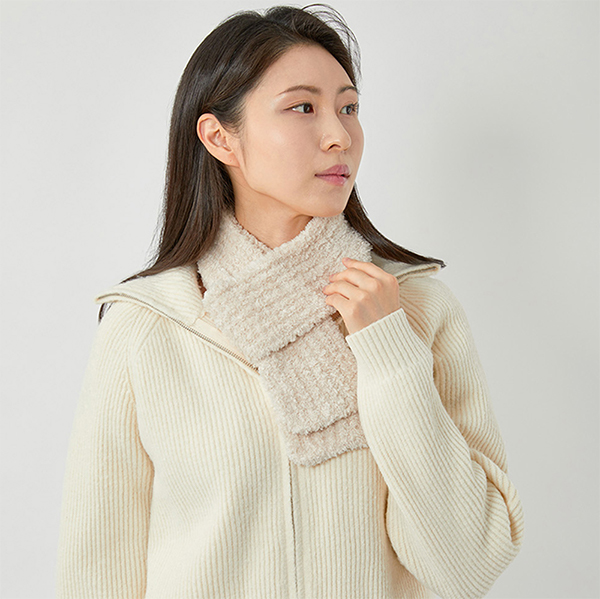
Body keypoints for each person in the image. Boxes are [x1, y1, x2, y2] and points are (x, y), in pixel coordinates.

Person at [55, 4, 525, 598]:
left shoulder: (417, 308)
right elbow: (96, 571)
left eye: (348, 108)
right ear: (219, 137)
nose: (339, 136)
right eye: (303, 107)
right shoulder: (148, 326)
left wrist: (389, 354)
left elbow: (469, 564)